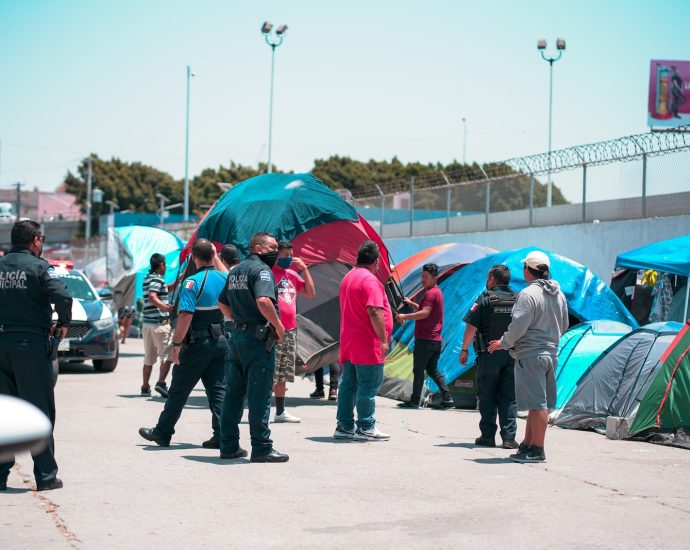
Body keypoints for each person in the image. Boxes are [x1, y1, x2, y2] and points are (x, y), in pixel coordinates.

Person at [0, 220, 72, 491]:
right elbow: (63, 298)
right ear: (36, 241)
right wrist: (63, 324)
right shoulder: (40, 268)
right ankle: (45, 476)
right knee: (38, 409)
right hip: (29, 345)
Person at [139, 240, 229, 448]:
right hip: (221, 341)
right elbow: (225, 273)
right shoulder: (224, 277)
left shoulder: (192, 282)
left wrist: (177, 344)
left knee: (178, 389)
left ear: (194, 258)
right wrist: (214, 255)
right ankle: (223, 435)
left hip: (197, 343)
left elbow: (186, 315)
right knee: (218, 391)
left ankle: (162, 432)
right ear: (213, 255)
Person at [488, 251, 568, 463]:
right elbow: (565, 324)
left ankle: (537, 450)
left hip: (531, 354)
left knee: (538, 403)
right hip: (551, 353)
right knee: (536, 402)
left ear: (527, 270)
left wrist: (503, 343)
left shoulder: (527, 294)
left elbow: (518, 328)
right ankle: (527, 445)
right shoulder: (558, 293)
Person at [218, 232, 289, 462]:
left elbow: (222, 302)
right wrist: (278, 326)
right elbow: (263, 300)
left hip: (237, 338)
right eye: (272, 247)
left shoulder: (236, 270)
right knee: (259, 394)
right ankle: (261, 447)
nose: (276, 251)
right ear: (258, 248)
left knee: (234, 395)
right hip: (257, 341)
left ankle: (228, 446)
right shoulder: (262, 271)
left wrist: (237, 321)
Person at [334, 240, 393, 442]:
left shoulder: (349, 277)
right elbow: (374, 310)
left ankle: (344, 426)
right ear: (376, 261)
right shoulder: (370, 280)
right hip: (367, 342)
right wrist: (383, 340)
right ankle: (366, 426)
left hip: (350, 342)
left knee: (348, 385)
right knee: (368, 386)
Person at [460, 264, 518, 449]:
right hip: (511, 354)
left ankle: (487, 436)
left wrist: (464, 349)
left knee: (487, 395)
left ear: (492, 278)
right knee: (509, 397)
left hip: (489, 355)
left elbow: (471, 326)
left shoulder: (485, 298)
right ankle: (509, 438)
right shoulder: (518, 298)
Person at [395, 263, 453, 409]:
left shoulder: (430, 293)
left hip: (425, 340)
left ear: (435, 277)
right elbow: (427, 311)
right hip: (435, 341)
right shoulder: (437, 292)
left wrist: (404, 316)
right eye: (422, 276)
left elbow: (425, 313)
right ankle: (448, 397)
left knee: (418, 370)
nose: (422, 279)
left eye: (425, 277)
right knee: (433, 370)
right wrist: (412, 304)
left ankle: (415, 401)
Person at [271, 240, 316, 423]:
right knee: (269, 373)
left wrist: (304, 269)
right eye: (285, 255)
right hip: (273, 330)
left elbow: (310, 292)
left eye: (291, 254)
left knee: (283, 373)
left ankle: (280, 412)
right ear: (276, 254)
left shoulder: (291, 275)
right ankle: (261, 409)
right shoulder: (269, 273)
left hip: (290, 330)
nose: (289, 258)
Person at [141, 254, 173, 398]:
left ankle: (145, 386)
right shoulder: (157, 279)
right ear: (161, 265)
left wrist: (177, 282)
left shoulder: (148, 278)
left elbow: (161, 290)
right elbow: (153, 296)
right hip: (160, 325)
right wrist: (166, 308)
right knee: (167, 356)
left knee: (148, 358)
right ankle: (161, 383)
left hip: (147, 324)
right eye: (165, 265)